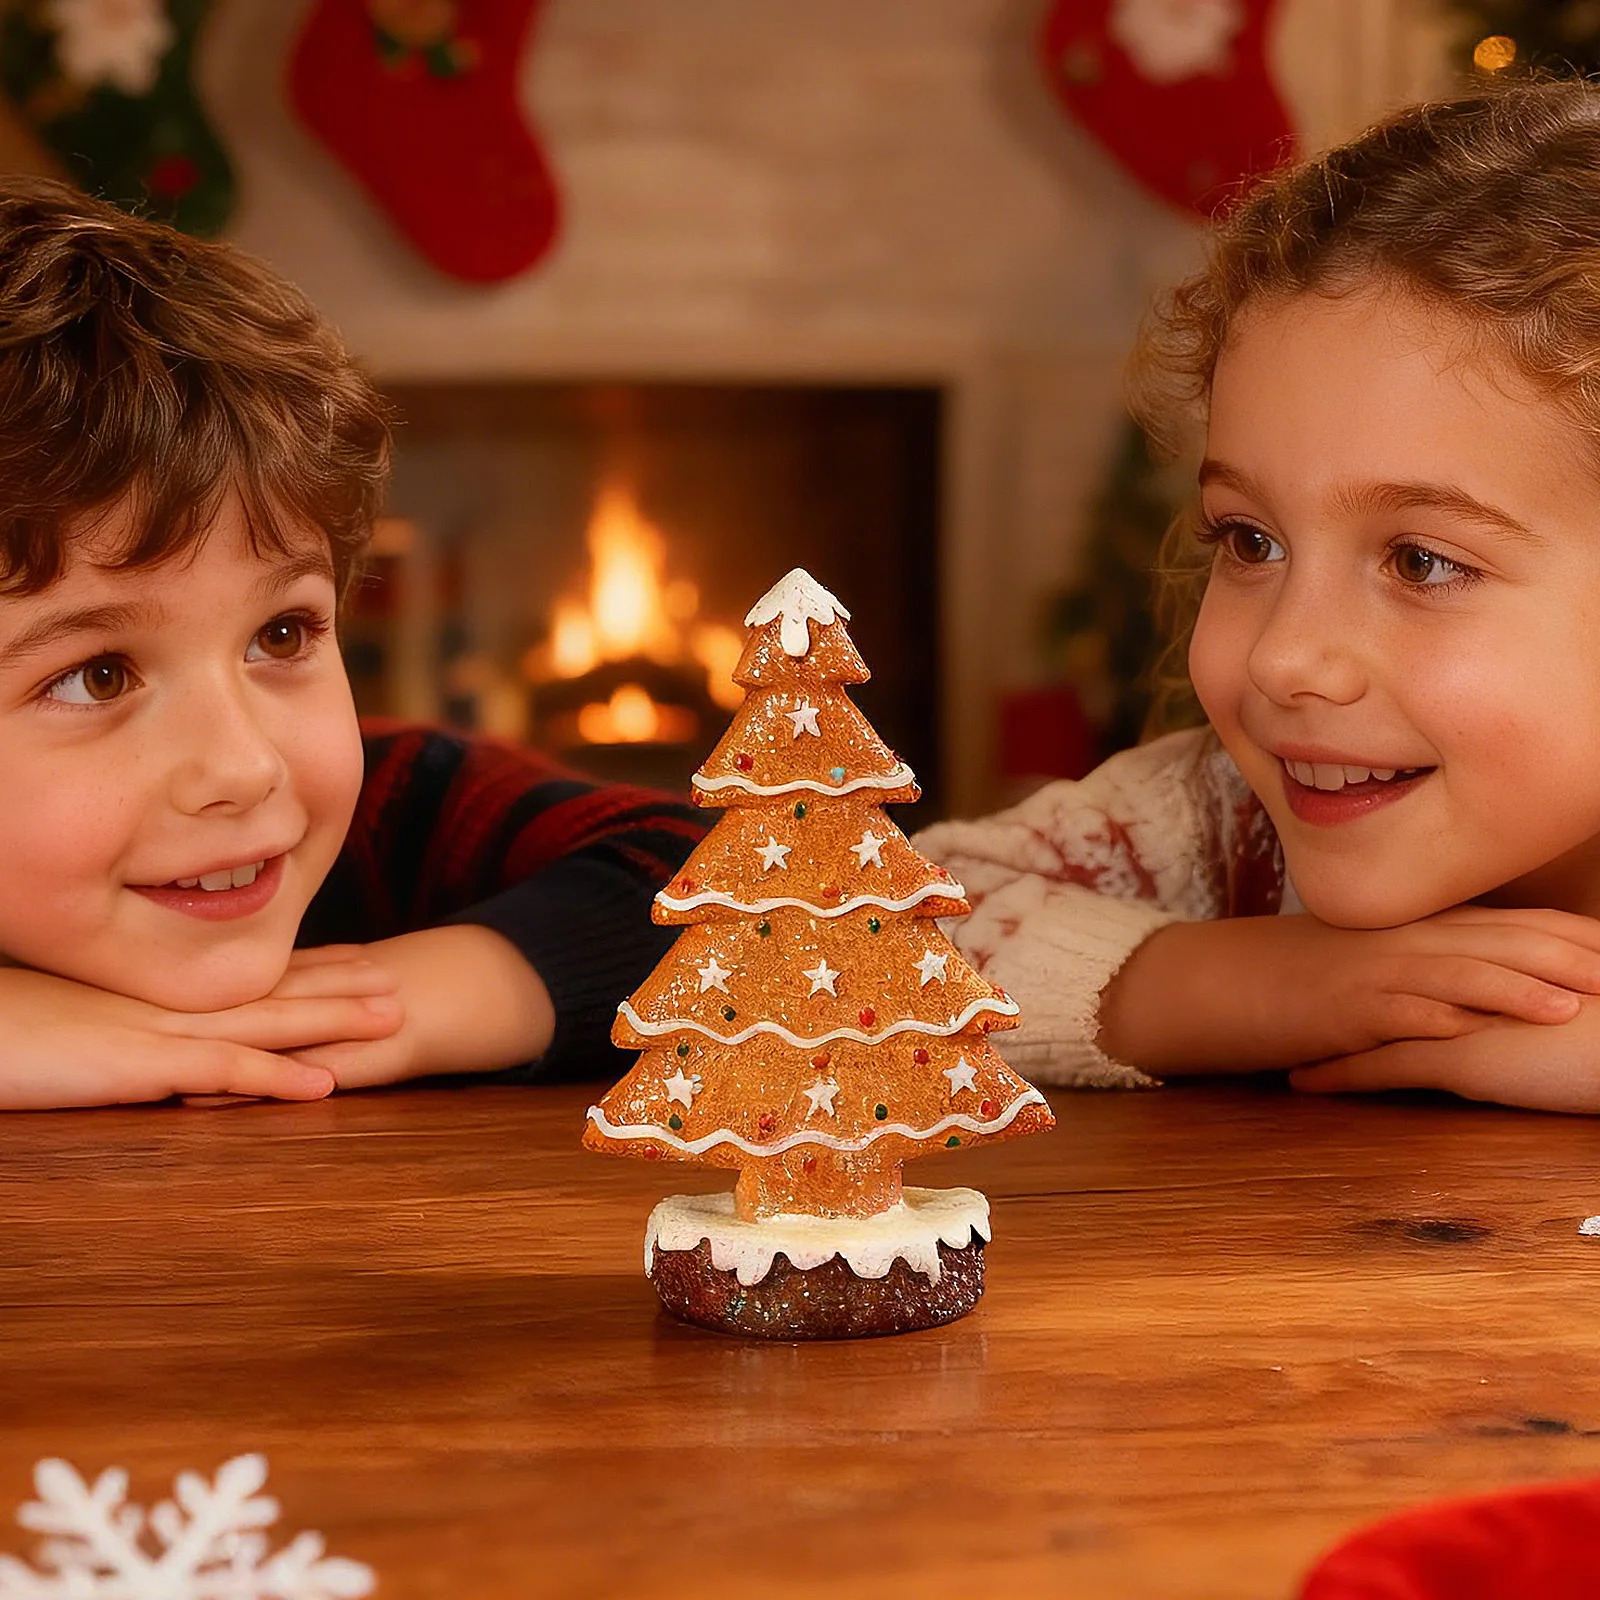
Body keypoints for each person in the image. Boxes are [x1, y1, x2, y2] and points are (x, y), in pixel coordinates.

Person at [916, 74, 1600, 1116]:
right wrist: (1273, 983)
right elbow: (832, 940)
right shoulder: (1218, 819)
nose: (1284, 658)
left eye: (1420, 560)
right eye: (1251, 540)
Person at [0, 176, 704, 1110]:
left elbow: (772, 889)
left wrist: (410, 1001)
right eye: (97, 676)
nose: (244, 768)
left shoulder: (395, 810)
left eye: (280, 633)